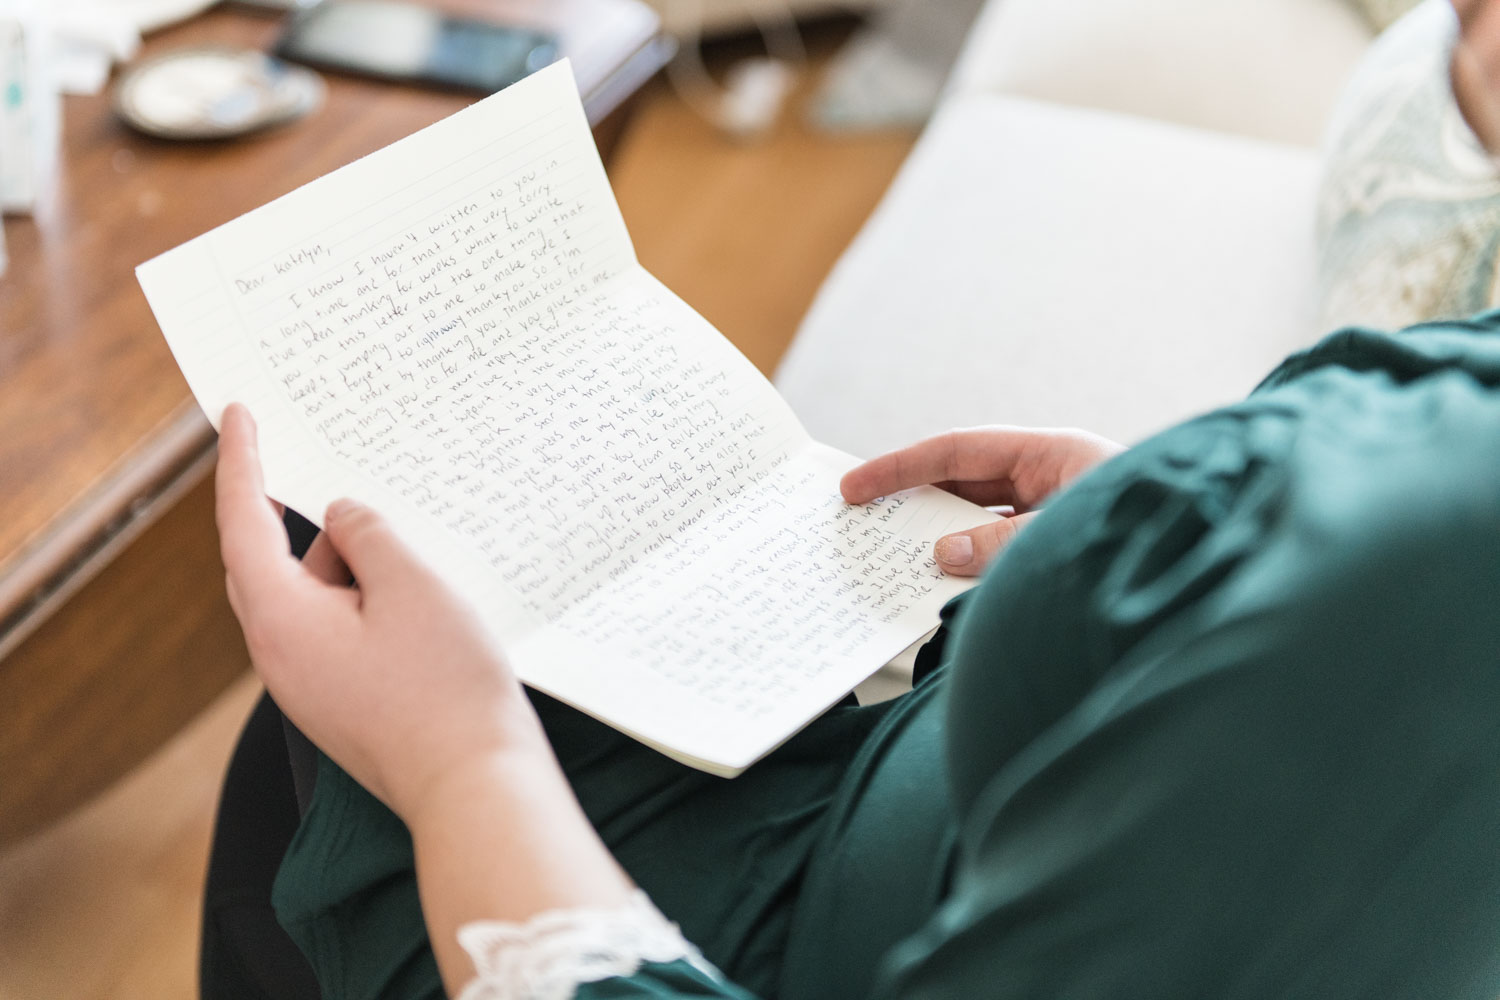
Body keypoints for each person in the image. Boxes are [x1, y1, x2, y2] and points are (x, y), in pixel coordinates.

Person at [202, 2, 1500, 998]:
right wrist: (1162, 524)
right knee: (354, 655)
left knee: (347, 630)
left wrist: (460, 763)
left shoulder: (1423, 610)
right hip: (941, 770)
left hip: (768, 937)